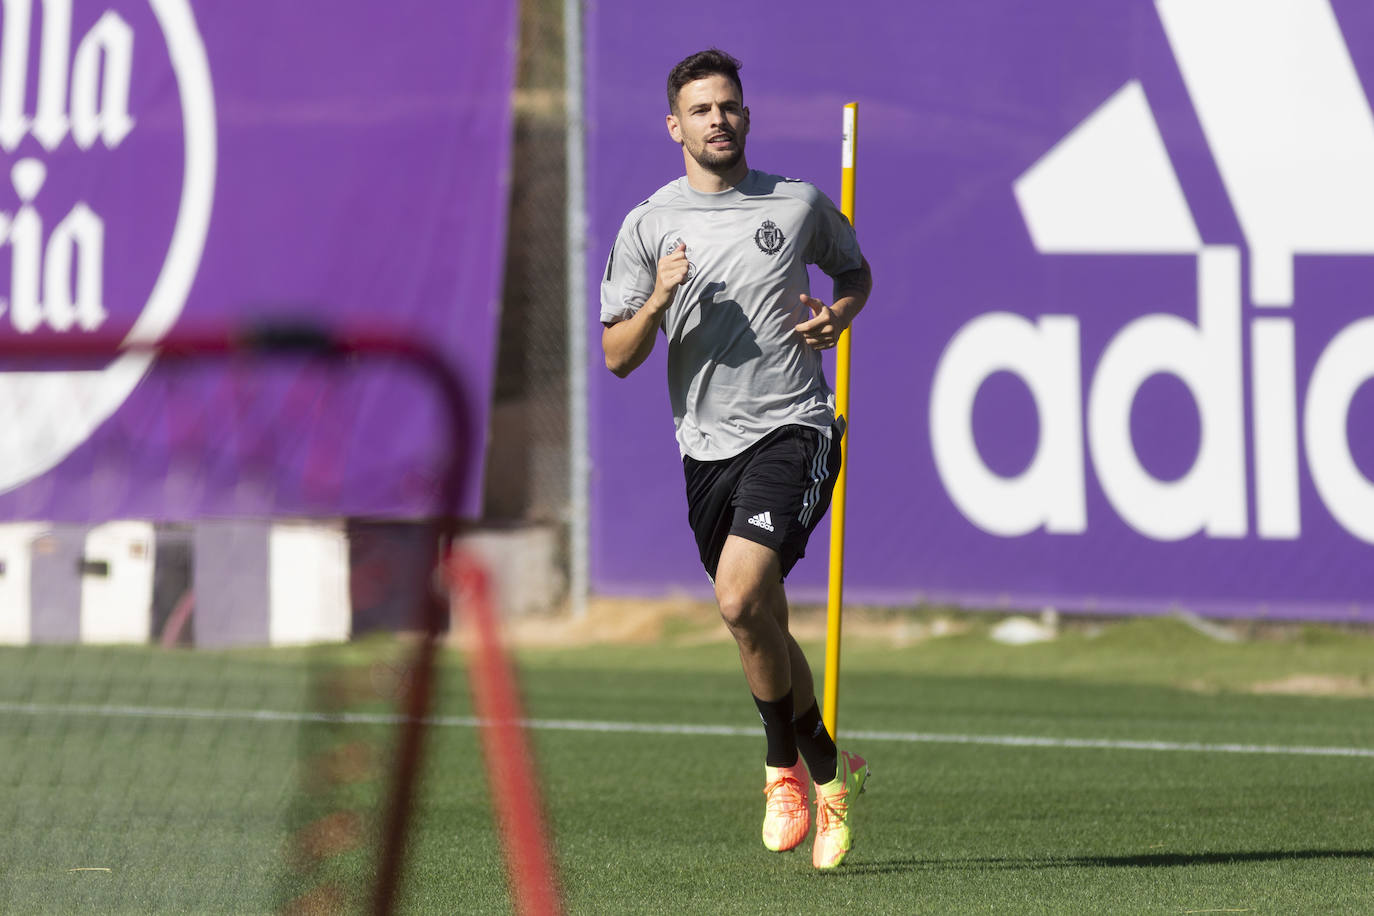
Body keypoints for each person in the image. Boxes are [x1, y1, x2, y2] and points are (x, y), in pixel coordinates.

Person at [599, 48, 874, 869]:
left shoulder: (794, 205)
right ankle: (826, 768)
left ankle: (778, 772)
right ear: (674, 125)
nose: (718, 119)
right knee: (757, 619)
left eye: (730, 105)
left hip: (794, 429)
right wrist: (656, 299)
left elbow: (854, 272)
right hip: (705, 452)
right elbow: (617, 356)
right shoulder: (649, 225)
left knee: (739, 594)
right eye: (702, 109)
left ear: (745, 116)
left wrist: (839, 316)